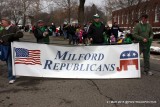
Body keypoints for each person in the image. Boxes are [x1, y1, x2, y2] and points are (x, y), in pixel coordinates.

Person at [0, 17, 23, 84]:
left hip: (14, 47)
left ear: (7, 22)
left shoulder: (14, 27)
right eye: (1, 22)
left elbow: (21, 34)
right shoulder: (2, 30)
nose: (1, 23)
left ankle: (14, 74)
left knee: (15, 61)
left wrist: (13, 36)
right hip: (6, 48)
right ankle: (12, 77)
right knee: (9, 63)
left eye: (2, 22)